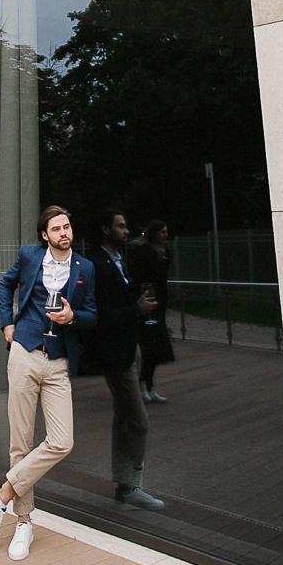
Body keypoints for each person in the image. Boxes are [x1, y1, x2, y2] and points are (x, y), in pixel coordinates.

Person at [0, 205, 96, 561]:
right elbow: (5, 285)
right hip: (25, 353)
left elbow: (92, 315)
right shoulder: (30, 256)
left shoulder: (85, 268)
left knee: (62, 440)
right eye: (57, 229)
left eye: (67, 226)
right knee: (21, 441)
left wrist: (74, 316)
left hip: (58, 362)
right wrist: (7, 326)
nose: (64, 232)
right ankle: (24, 524)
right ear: (45, 235)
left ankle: (0, 496)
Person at [90, 208, 164, 511]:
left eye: (126, 226)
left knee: (124, 420)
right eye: (120, 226)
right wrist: (137, 309)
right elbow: (103, 315)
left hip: (128, 348)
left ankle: (124, 487)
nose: (126, 231)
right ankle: (132, 484)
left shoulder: (122, 261)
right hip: (115, 355)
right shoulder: (97, 263)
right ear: (106, 229)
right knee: (139, 422)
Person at [128, 219, 174, 403]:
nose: (165, 236)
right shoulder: (141, 252)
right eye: (162, 232)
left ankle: (149, 384)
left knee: (155, 344)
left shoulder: (165, 252)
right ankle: (143, 384)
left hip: (159, 300)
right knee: (147, 344)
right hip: (146, 299)